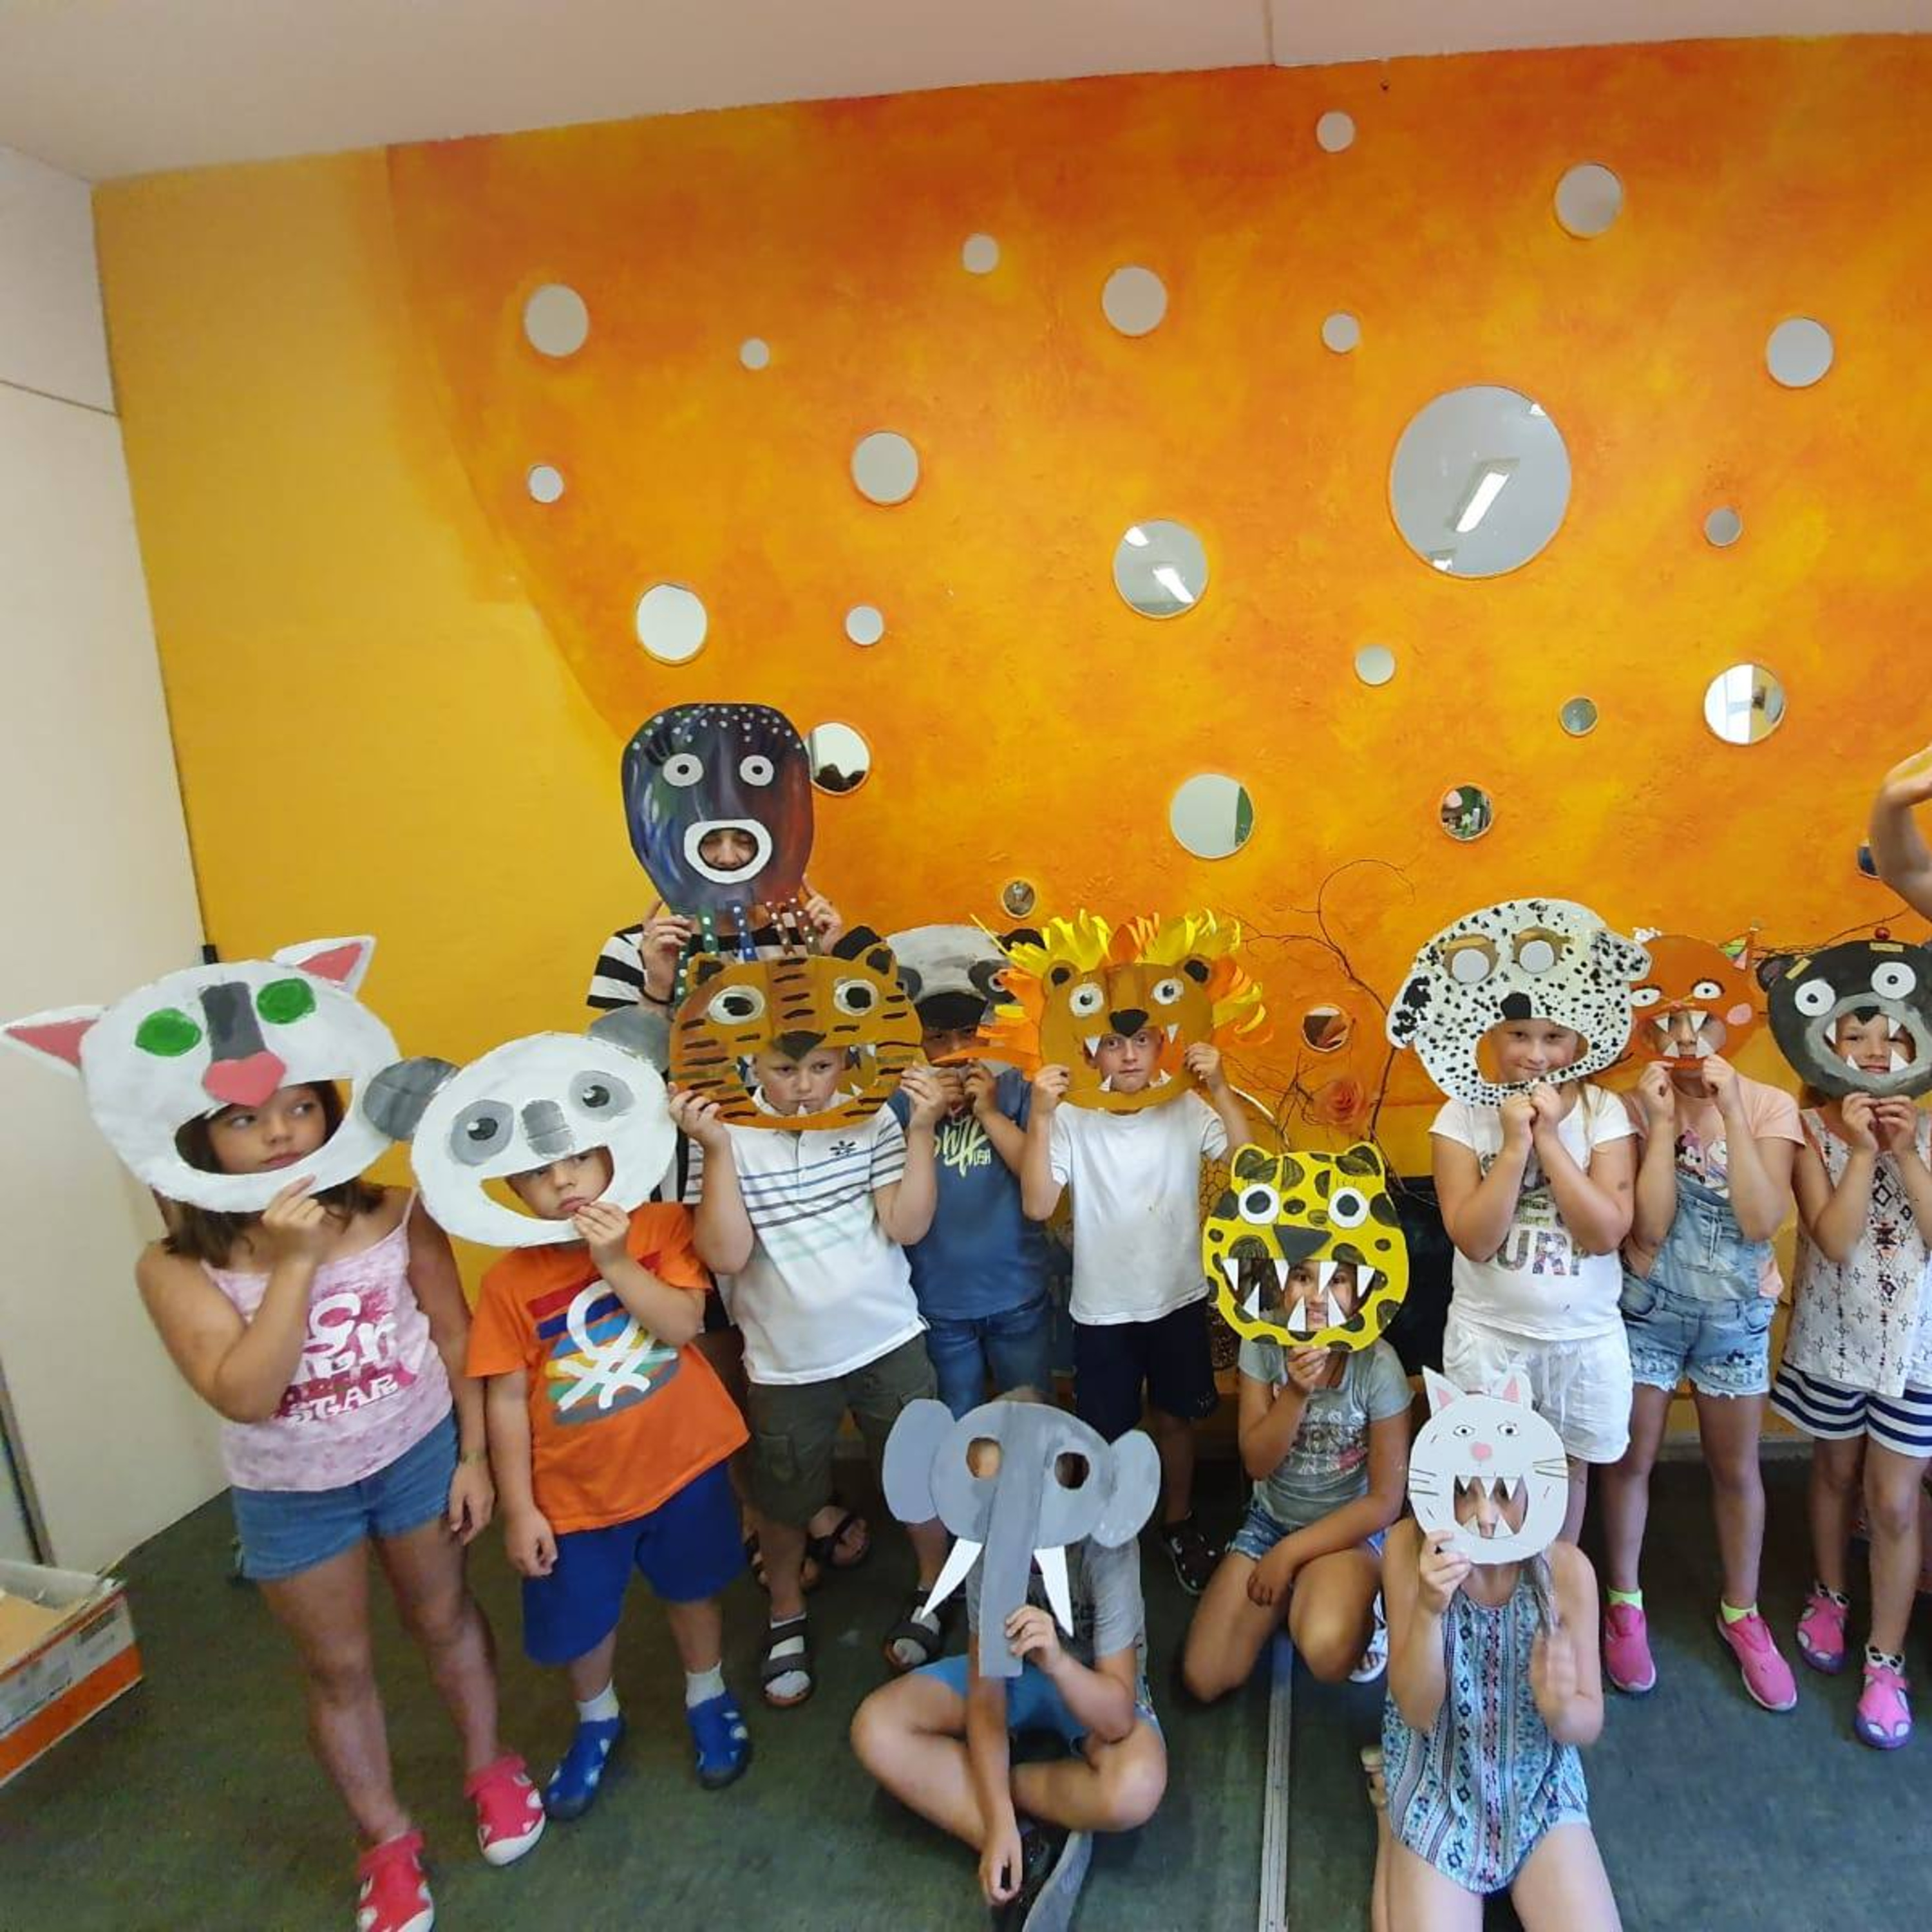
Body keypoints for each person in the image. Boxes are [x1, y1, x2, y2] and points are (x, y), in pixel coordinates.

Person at [135, 1081, 543, 1932]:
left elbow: (456, 1334)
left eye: (299, 1107)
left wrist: (474, 1458)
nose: (279, 1132)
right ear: (202, 1140)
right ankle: (383, 1839)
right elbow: (245, 1395)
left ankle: (490, 1764)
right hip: (291, 1495)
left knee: (445, 1619)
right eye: (244, 1119)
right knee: (339, 1669)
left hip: (417, 1456)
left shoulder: (394, 1210)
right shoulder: (173, 1266)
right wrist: (295, 1262)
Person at [467, 1146, 752, 1816]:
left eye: (574, 1159)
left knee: (693, 1591)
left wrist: (617, 1262)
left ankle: (707, 1694)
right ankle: (597, 1718)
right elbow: (505, 1400)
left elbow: (683, 1325)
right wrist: (520, 1509)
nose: (561, 1179)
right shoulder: (508, 1282)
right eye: (536, 1171)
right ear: (511, 1187)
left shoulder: (659, 1227)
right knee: (582, 1621)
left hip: (681, 1467)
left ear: (611, 1153)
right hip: (575, 1496)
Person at [675, 1052, 953, 1698]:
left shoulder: (870, 1116)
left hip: (887, 1337)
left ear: (845, 1060)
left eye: (820, 1066)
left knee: (917, 1474)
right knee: (782, 1499)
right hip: (785, 1362)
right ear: (754, 1064)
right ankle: (785, 1611)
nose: (804, 1084)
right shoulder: (724, 1132)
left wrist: (920, 1129)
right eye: (783, 1069)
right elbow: (724, 1254)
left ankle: (934, 1585)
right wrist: (716, 1150)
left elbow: (908, 1225)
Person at [849, 1396, 1166, 1931]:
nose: (1008, 1520)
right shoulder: (984, 1536)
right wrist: (996, 1824)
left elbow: (1116, 1718)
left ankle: (998, 1789)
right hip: (1014, 1681)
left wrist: (1058, 1662)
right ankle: (1026, 1842)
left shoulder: (1105, 1546)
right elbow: (987, 1693)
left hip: (1086, 1685)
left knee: (1135, 1788)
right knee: (876, 1728)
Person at [1597, 1050, 1801, 1709]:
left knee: (1736, 1469)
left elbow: (1761, 1221)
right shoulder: (1630, 1105)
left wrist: (1732, 1109)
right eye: (1671, 1019)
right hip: (1649, 1310)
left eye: (1703, 1019)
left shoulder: (1769, 1104)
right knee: (1629, 1460)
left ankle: (1743, 1611)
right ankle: (1624, 1603)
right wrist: (1661, 1126)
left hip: (1735, 1319)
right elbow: (1649, 1225)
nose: (1685, 1036)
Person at [1021, 1036, 1251, 1594]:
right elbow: (1038, 1203)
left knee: (1177, 1419)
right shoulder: (1075, 1116)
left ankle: (1178, 1520)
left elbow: (1249, 1167)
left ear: (1162, 1045)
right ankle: (1106, 1531)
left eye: (1142, 1041)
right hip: (1103, 1310)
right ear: (1090, 1053)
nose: (1129, 1056)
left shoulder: (1184, 1105)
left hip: (1177, 1298)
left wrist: (1220, 1087)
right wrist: (1042, 1117)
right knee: (1105, 1430)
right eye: (1113, 1043)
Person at [1770, 1010, 1932, 1747]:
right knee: (1835, 1473)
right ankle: (1831, 1590)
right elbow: (1833, 1239)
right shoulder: (1807, 1131)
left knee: (1894, 1503)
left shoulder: (1927, 1130)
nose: (1875, 1052)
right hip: (1834, 1342)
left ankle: (1886, 1657)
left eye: (1893, 1037)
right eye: (1856, 1036)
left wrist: (1906, 1153)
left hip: (1915, 1356)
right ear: (1825, 1047)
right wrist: (1863, 1151)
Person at [1379, 1462, 1619, 1929]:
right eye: (1462, 1491)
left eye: (1505, 1493)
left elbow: (1588, 1719)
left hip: (1539, 1789)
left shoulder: (1567, 1571)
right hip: (1438, 1781)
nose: (1484, 1516)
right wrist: (1429, 1610)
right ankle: (1389, 1814)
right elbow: (1415, 1708)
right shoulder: (1408, 1550)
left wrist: (1561, 1709)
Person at [1432, 1020, 1636, 1540]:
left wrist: (1548, 1138)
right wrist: (1513, 1146)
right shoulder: (1462, 1113)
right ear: (1490, 1037)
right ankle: (1495, 1581)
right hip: (1489, 1339)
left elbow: (1605, 1234)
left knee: (1566, 1474)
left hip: (1582, 1340)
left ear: (1580, 1041)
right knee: (1488, 1476)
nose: (1537, 1055)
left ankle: (1554, 1579)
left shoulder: (1602, 1111)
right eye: (1519, 1036)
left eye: (1555, 1038)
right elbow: (1475, 1240)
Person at [1180, 1257, 1410, 1698]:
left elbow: (1385, 1502)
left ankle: (1360, 1605)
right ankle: (1298, 1592)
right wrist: (1296, 1391)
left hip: (1348, 1535)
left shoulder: (1379, 1365)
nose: (1317, 1296)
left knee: (1327, 1650)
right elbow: (1257, 1463)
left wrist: (1288, 1555)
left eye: (1337, 1280)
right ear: (1282, 1283)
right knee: (1205, 1676)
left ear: (1361, 1294)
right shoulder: (1262, 1339)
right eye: (1303, 1276)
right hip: (1271, 1521)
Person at [889, 955, 1053, 1418]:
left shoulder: (1017, 1088)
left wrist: (990, 1113)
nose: (956, 1050)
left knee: (1030, 1415)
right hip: (938, 1302)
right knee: (955, 1419)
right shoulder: (902, 1100)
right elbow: (894, 1197)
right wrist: (924, 1117)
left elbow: (1037, 1181)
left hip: (1017, 1292)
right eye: (937, 1038)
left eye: (968, 1032)